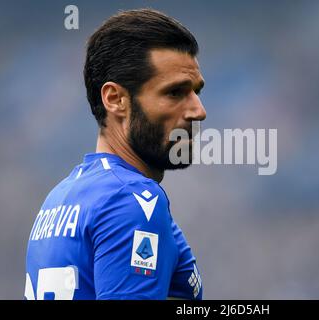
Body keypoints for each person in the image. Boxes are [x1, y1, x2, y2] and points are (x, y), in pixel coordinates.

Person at [24, 8, 206, 300]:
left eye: (197, 92)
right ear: (115, 99)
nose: (199, 110)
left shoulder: (58, 200)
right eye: (175, 93)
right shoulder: (133, 199)